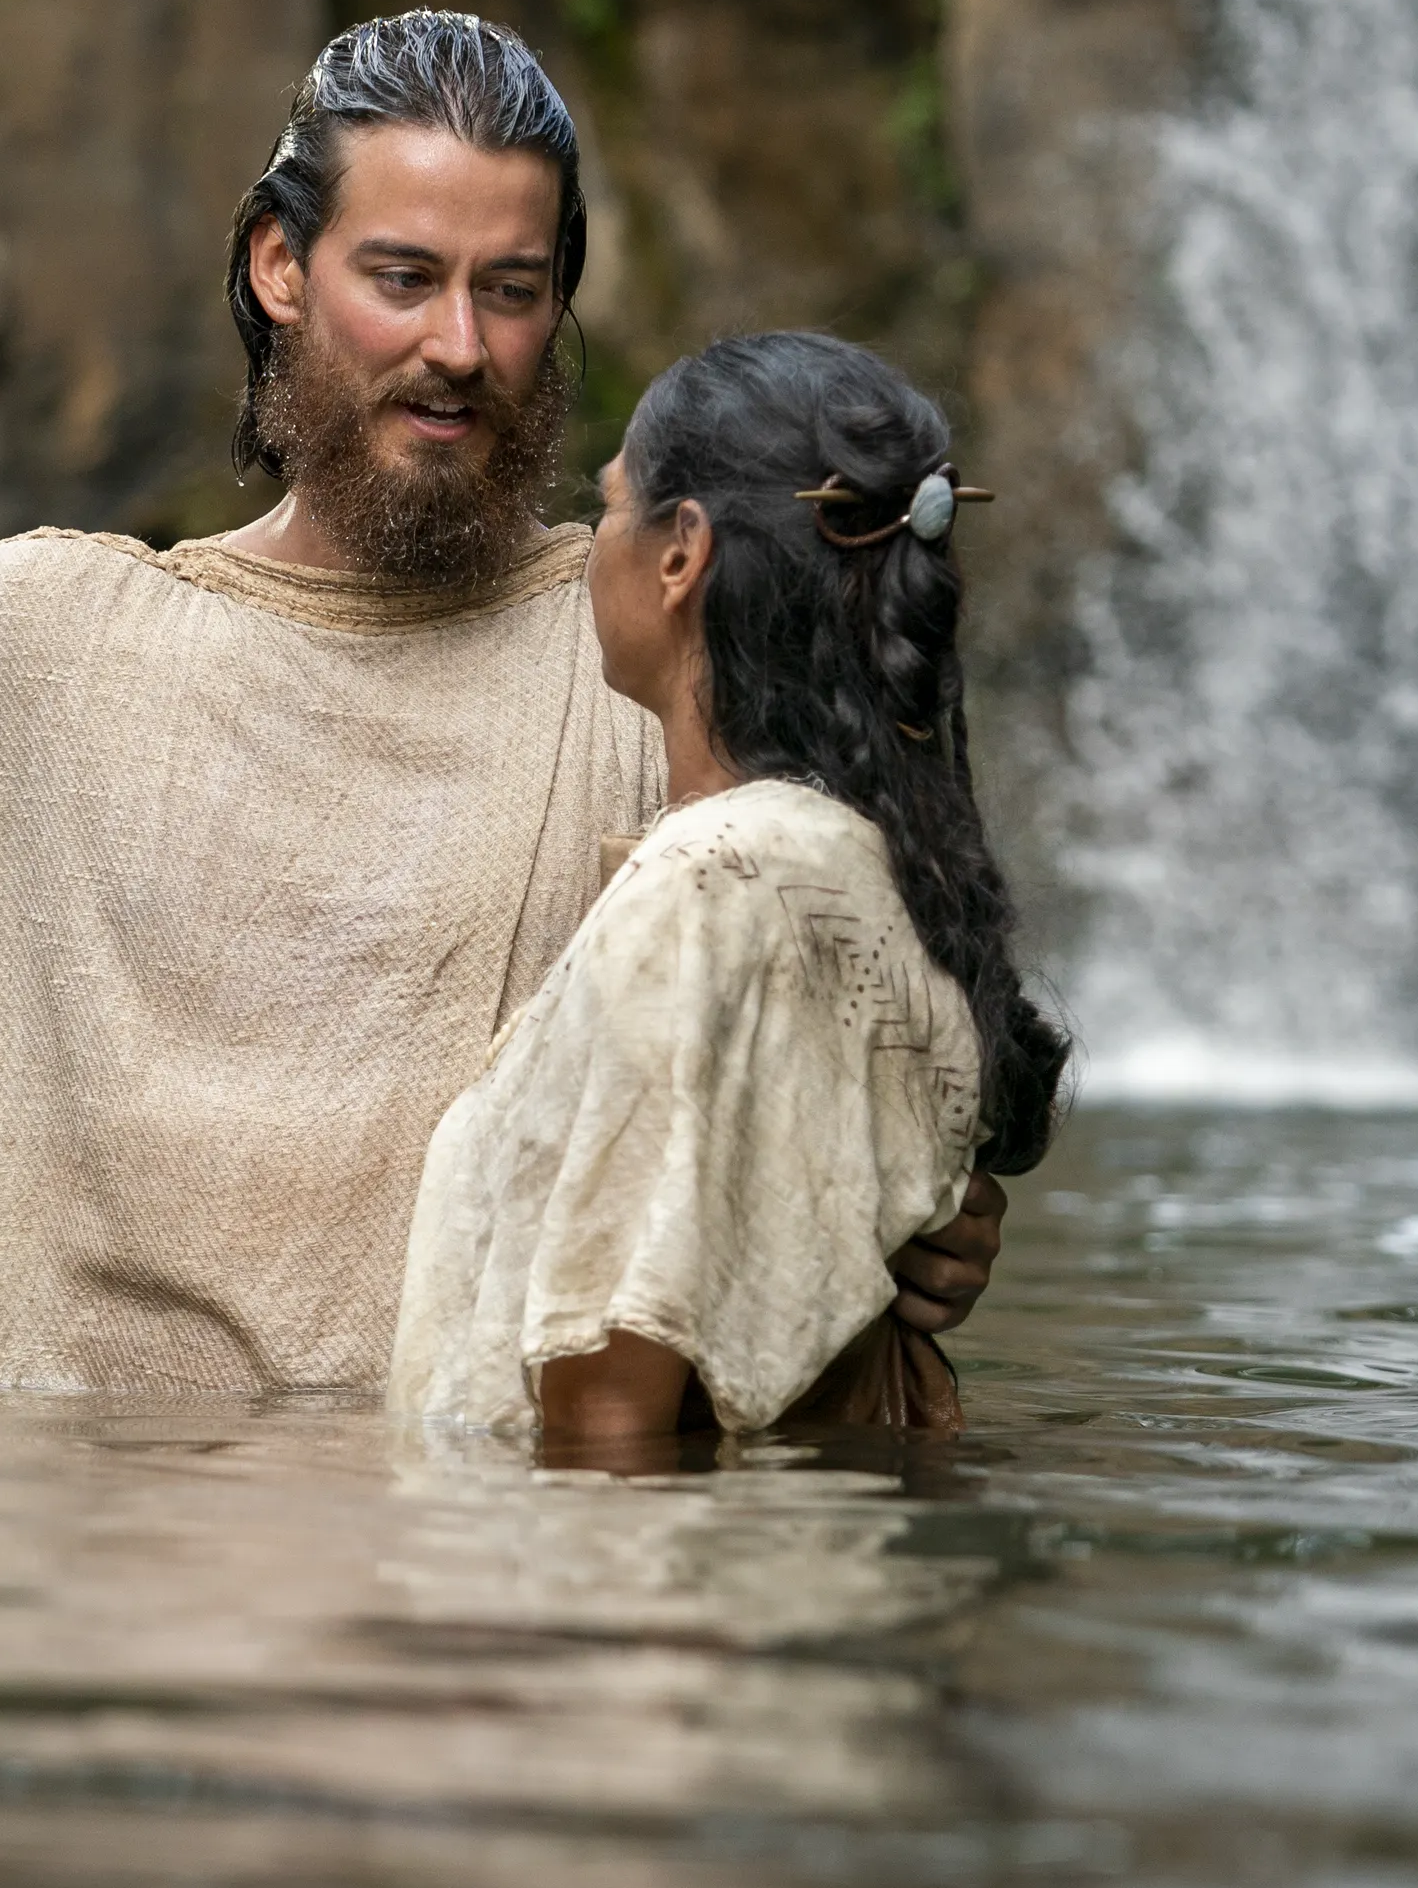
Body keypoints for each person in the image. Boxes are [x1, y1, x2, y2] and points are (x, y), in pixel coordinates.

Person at [0, 0, 1008, 1391]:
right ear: (281, 265)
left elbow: (869, 1032)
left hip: (477, 1606)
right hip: (81, 1597)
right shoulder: (29, 648)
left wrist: (910, 1207)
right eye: (401, 276)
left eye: (512, 289)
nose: (459, 345)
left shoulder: (656, 650)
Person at [388, 334, 1072, 1454]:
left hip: (609, 1599)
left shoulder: (704, 892)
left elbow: (610, 1407)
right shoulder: (871, 871)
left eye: (611, 507)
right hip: (802, 1583)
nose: (585, 548)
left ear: (680, 554)